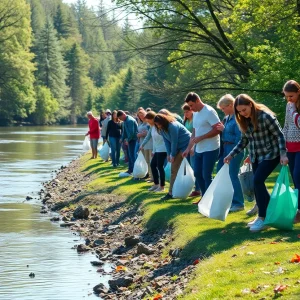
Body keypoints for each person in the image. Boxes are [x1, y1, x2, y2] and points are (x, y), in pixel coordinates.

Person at [224, 94, 288, 232]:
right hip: (256, 156)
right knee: (258, 184)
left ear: (250, 105)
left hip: (271, 154)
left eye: (244, 110)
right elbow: (243, 141)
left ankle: (263, 217)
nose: (242, 113)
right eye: (239, 111)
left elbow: (280, 135)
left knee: (257, 181)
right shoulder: (243, 120)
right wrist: (231, 155)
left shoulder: (265, 117)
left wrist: (283, 154)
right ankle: (265, 215)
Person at [182, 92, 221, 205]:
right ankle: (204, 197)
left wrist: (202, 137)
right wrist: (188, 148)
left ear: (198, 101)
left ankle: (210, 200)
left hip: (211, 148)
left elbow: (217, 129)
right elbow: (194, 132)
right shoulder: (196, 113)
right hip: (199, 148)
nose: (191, 108)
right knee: (197, 173)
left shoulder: (209, 111)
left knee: (206, 174)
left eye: (192, 105)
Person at [216, 94, 245, 212]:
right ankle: (228, 200)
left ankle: (238, 203)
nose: (223, 111)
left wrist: (224, 130)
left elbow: (239, 138)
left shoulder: (238, 118)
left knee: (233, 175)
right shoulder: (228, 118)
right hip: (225, 148)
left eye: (223, 108)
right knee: (220, 171)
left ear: (231, 105)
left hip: (234, 148)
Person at [154, 113, 191, 200]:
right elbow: (167, 142)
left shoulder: (173, 126)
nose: (158, 126)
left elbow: (174, 141)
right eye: (156, 124)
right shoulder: (162, 129)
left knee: (189, 169)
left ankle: (194, 190)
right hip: (178, 147)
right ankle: (171, 192)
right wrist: (168, 154)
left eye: (159, 124)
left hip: (186, 145)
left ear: (163, 121)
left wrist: (173, 155)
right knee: (174, 170)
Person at [283, 80, 300, 223]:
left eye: (291, 96)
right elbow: (286, 126)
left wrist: (294, 110)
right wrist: (283, 147)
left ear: (298, 92)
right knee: (295, 179)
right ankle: (297, 210)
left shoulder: (294, 107)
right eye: (287, 96)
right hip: (290, 147)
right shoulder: (288, 105)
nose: (289, 99)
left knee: (298, 175)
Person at [140, 111, 167, 192]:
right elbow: (152, 139)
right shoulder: (152, 127)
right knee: (152, 165)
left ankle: (162, 186)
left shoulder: (160, 126)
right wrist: (153, 150)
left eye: (148, 120)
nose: (147, 122)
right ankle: (156, 184)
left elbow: (165, 138)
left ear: (153, 119)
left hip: (163, 149)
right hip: (157, 149)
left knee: (160, 167)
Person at [182, 104, 201, 197]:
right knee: (189, 168)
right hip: (187, 147)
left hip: (194, 146)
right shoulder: (185, 121)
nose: (186, 113)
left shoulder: (195, 120)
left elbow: (195, 134)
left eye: (187, 111)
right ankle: (192, 187)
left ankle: (198, 189)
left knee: (195, 168)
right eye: (184, 112)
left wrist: (192, 147)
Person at [117, 110, 138, 175]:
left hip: (133, 140)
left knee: (132, 156)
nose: (120, 120)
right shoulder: (125, 121)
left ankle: (134, 170)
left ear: (123, 114)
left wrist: (128, 140)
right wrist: (122, 138)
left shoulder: (130, 121)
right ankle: (130, 169)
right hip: (129, 140)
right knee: (129, 155)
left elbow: (132, 133)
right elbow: (125, 132)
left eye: (120, 118)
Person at [137, 108, 153, 180]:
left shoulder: (148, 123)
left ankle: (152, 176)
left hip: (149, 143)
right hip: (142, 143)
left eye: (142, 115)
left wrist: (144, 134)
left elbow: (150, 133)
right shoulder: (141, 123)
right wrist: (138, 134)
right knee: (146, 160)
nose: (141, 117)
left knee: (150, 160)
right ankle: (147, 174)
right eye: (140, 115)